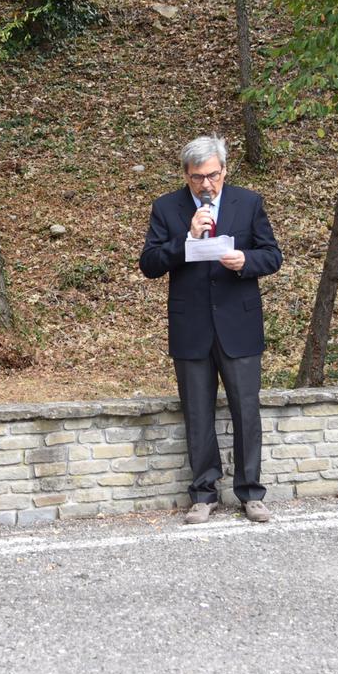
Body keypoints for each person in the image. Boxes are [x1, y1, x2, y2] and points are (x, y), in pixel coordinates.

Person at [140, 134, 282, 524]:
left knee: (246, 411)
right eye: (198, 177)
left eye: (213, 175)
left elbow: (272, 255)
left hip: (239, 324)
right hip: (191, 326)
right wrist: (185, 239)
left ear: (225, 170)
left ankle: (251, 493)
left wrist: (245, 261)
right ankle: (204, 494)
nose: (206, 184)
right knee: (198, 413)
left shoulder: (248, 203)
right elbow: (149, 263)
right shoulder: (167, 207)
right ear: (185, 175)